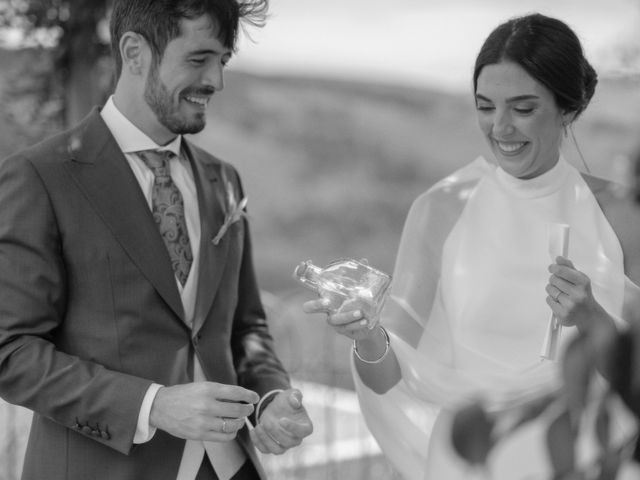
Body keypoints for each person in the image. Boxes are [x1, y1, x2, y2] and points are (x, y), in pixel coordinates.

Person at [304, 13, 640, 479]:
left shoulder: (623, 215)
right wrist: (366, 337)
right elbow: (392, 376)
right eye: (486, 106)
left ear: (567, 107)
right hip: (473, 465)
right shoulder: (441, 208)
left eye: (522, 108)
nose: (500, 127)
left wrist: (593, 320)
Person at [0, 1, 312, 479]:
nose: (216, 81)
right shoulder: (41, 176)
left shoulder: (223, 180)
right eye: (198, 59)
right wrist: (154, 405)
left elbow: (245, 327)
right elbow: (12, 352)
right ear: (134, 51)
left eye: (222, 61)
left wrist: (270, 397)